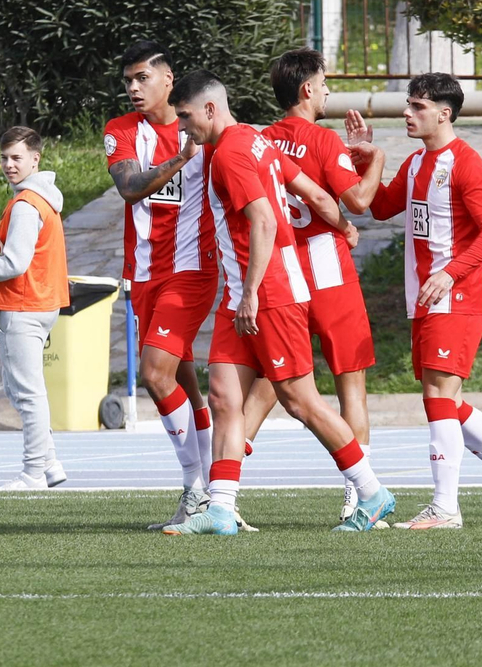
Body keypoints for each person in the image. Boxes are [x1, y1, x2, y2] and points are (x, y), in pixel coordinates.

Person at [165, 70, 396, 535]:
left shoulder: (230, 151)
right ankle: (222, 510)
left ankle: (372, 493)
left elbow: (265, 221)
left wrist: (250, 292)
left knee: (300, 401)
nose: (181, 127)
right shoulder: (252, 137)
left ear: (209, 109)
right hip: (245, 292)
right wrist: (342, 225)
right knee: (225, 397)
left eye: (186, 116)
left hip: (268, 292)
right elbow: (312, 192)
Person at [369, 73, 482, 529]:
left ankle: (446, 506)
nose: (407, 113)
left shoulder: (467, 164)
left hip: (458, 295)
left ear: (444, 113)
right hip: (425, 297)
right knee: (448, 400)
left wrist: (449, 273)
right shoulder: (415, 164)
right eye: (408, 105)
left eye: (417, 106)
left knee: (437, 396)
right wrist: (367, 156)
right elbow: (380, 207)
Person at [241, 49, 386, 521]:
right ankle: (359, 496)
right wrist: (374, 157)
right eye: (324, 83)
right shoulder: (322, 141)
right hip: (326, 269)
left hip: (281, 269)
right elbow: (359, 201)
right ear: (307, 89)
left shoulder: (262, 141)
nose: (328, 91)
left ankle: (220, 486)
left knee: (274, 379)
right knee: (351, 384)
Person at [103, 42, 221, 529]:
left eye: (142, 78)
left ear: (168, 80)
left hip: (192, 269)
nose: (133, 87)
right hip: (144, 274)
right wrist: (180, 160)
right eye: (128, 80)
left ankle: (196, 488)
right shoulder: (120, 130)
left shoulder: (201, 127)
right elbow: (130, 188)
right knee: (185, 385)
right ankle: (217, 491)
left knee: (154, 373)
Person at [0, 126, 71, 490]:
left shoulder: (25, 204)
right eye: (4, 157)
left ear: (35, 160)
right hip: (39, 303)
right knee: (20, 388)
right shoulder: (40, 198)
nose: (8, 164)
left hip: (23, 305)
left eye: (17, 158)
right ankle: (49, 465)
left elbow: (15, 263)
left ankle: (33, 473)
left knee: (27, 392)